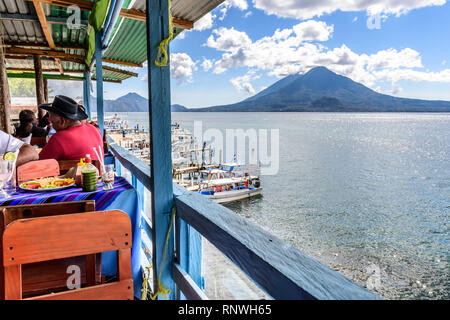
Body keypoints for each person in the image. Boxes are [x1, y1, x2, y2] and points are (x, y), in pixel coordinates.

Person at [38, 95, 104, 161]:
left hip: (76, 171)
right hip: (96, 171)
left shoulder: (59, 138)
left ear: (62, 121)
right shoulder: (93, 129)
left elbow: (38, 166)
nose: (49, 119)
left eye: (51, 120)